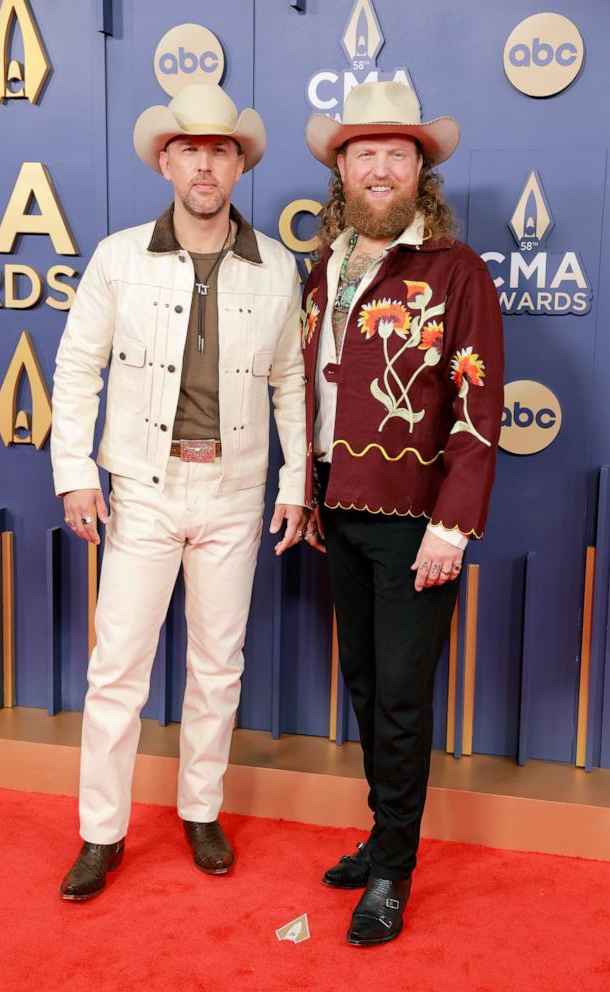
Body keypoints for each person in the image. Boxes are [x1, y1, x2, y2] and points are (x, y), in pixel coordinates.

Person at [51, 83, 307, 900]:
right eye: (189, 148)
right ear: (166, 160)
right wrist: (75, 475)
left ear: (238, 165)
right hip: (141, 490)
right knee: (117, 667)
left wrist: (296, 482)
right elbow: (75, 367)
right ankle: (102, 833)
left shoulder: (277, 265)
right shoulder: (118, 256)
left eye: (221, 149)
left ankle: (201, 811)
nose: (205, 162)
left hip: (235, 491)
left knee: (216, 666)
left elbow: (291, 383)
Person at [301, 81, 504, 945]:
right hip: (336, 508)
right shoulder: (330, 263)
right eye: (362, 154)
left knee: (399, 700)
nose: (378, 169)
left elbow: (478, 406)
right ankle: (383, 834)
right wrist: (308, 495)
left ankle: (393, 869)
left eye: (396, 154)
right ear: (340, 170)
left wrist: (451, 526)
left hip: (414, 522)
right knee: (362, 684)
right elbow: (310, 392)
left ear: (419, 171)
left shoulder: (454, 271)